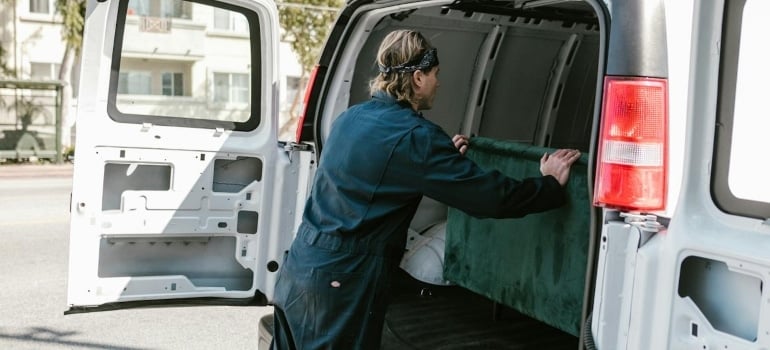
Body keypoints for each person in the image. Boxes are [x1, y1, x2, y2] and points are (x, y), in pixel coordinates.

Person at [270, 29, 581, 350]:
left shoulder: (350, 118)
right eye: (435, 74)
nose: (438, 83)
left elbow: (382, 169)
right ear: (418, 78)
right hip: (342, 282)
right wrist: (549, 184)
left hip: (301, 266)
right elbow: (491, 198)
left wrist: (441, 161)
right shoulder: (417, 137)